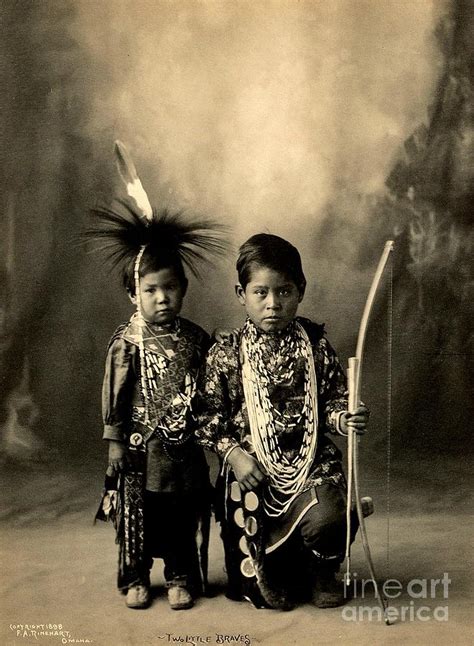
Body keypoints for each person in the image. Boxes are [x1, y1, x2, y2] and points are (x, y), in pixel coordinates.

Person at [196, 233, 369, 610]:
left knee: (330, 516)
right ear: (241, 294)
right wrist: (237, 457)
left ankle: (323, 571)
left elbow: (334, 397)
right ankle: (273, 571)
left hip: (309, 466)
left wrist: (344, 418)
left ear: (301, 290)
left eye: (284, 291)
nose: (273, 304)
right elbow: (208, 418)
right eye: (261, 293)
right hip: (253, 473)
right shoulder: (227, 352)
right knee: (265, 580)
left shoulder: (314, 344)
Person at [91, 142, 227, 611]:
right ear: (134, 293)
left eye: (171, 287)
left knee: (180, 514)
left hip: (184, 452)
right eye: (151, 290)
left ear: (183, 289)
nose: (162, 298)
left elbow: (213, 389)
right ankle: (134, 577)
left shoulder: (196, 339)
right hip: (137, 450)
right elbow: (115, 398)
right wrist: (113, 445)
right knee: (137, 515)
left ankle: (180, 575)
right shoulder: (127, 341)